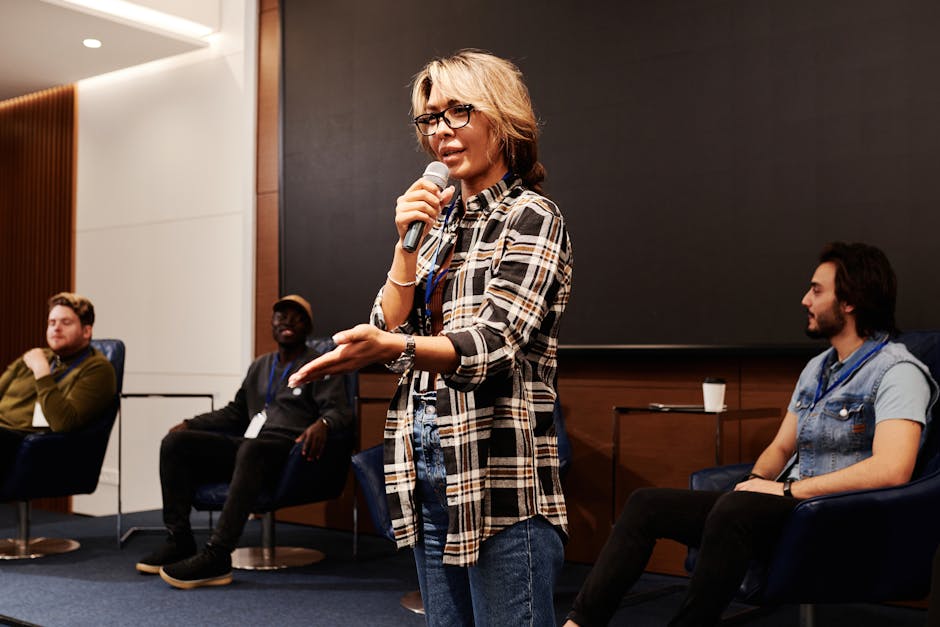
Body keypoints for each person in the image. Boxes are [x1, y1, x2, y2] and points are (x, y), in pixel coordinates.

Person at [289, 50, 573, 625]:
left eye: (456, 111)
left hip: (500, 484)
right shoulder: (435, 227)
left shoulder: (531, 216)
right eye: (428, 118)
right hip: (427, 471)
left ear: (502, 117)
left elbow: (491, 346)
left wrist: (392, 347)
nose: (439, 131)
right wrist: (404, 245)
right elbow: (388, 322)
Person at [564, 242, 939, 627]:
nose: (804, 299)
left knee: (735, 509)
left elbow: (893, 469)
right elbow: (780, 446)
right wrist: (757, 482)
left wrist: (787, 491)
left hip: (839, 516)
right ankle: (579, 624)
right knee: (646, 504)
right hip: (787, 508)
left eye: (816, 290)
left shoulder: (898, 372)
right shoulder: (818, 368)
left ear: (850, 301)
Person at [135, 295, 354, 589]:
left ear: (308, 326)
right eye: (280, 316)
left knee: (250, 448)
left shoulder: (319, 364)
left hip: (289, 452)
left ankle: (218, 554)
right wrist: (190, 424)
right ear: (272, 325)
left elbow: (340, 411)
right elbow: (236, 412)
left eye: (296, 316)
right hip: (250, 447)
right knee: (175, 443)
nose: (287, 321)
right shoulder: (260, 365)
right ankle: (179, 540)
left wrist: (323, 424)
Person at [0, 292, 116, 479]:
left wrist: (42, 373)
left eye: (66, 322)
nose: (56, 328)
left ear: (86, 331)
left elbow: (64, 423)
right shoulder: (35, 356)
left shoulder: (97, 369)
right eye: (52, 323)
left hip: (25, 441)